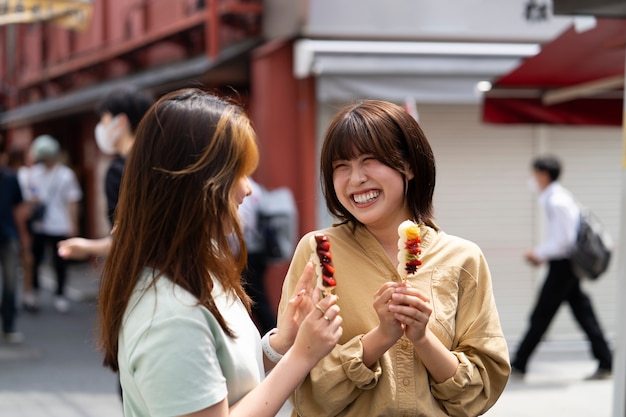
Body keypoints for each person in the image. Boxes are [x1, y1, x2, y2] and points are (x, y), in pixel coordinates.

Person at [98, 88, 343, 416]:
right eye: (238, 173)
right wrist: (302, 355)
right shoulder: (170, 315)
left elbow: (224, 377)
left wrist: (281, 344)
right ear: (196, 183)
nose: (247, 188)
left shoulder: (194, 269)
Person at [278, 100, 510, 417]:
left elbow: (480, 392)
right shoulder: (319, 252)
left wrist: (422, 337)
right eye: (340, 166)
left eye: (369, 160)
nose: (355, 178)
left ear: (410, 166)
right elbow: (302, 389)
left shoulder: (463, 258)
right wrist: (380, 338)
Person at [511, 155, 613, 380]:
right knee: (584, 314)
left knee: (542, 314)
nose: (533, 179)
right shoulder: (559, 197)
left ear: (544, 175)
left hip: (564, 267)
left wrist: (538, 253)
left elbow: (564, 241)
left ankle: (520, 362)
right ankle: (606, 361)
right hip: (565, 265)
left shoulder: (556, 200)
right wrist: (544, 255)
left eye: (535, 174)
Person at [58, 86, 153, 260]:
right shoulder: (160, 159)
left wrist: (88, 247)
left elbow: (129, 240)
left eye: (104, 119)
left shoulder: (120, 171)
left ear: (121, 121)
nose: (101, 127)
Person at [24, 135, 82, 313]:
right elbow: (29, 197)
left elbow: (72, 201)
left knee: (60, 262)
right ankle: (34, 293)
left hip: (60, 224)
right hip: (40, 225)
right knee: (35, 259)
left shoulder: (66, 175)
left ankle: (60, 294)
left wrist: (73, 225)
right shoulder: (34, 173)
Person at [0, 147, 31, 343]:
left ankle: (8, 326)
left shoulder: (11, 179)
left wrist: (23, 238)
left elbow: (19, 210)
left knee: (11, 283)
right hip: (8, 234)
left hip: (8, 235)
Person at [238, 177, 276, 334]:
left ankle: (272, 334)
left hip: (247, 253)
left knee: (256, 300)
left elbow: (240, 226)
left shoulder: (242, 190)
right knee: (257, 299)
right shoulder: (256, 188)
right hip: (258, 251)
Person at [6, 148, 35, 308]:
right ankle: (27, 294)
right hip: (18, 223)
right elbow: (21, 206)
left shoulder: (12, 175)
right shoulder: (21, 175)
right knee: (26, 259)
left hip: (11, 224)